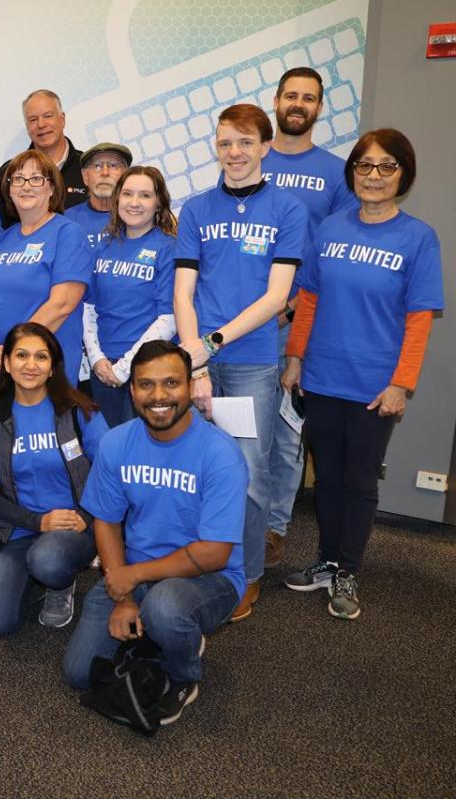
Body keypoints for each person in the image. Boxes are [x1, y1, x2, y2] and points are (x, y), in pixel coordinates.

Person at [281, 129, 443, 620]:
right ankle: (327, 560)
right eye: (365, 165)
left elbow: (418, 320)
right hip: (323, 375)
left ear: (403, 175)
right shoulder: (329, 228)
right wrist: (294, 357)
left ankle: (348, 568)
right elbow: (307, 299)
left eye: (386, 166)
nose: (374, 176)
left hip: (376, 384)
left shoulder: (417, 238)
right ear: (352, 172)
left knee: (358, 478)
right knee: (327, 476)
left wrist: (401, 383)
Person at [63, 341, 248, 725]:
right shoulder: (118, 443)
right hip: (136, 572)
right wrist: (124, 597)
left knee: (166, 607)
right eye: (146, 385)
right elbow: (108, 522)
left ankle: (183, 673)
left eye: (171, 383)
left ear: (189, 387)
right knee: (79, 673)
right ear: (132, 391)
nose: (159, 395)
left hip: (210, 578)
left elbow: (215, 553)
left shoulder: (220, 454)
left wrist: (133, 576)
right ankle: (154, 630)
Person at [173, 103, 308, 622]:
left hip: (251, 363)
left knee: (251, 476)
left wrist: (213, 341)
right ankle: (199, 560)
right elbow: (183, 292)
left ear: (264, 148)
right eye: (225, 142)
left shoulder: (287, 210)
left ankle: (245, 576)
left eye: (245, 143)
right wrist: (197, 362)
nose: (234, 152)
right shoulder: (198, 208)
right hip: (201, 363)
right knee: (196, 468)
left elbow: (278, 297)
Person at [261, 67, 361, 569]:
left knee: (284, 433)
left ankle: (274, 528)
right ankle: (229, 521)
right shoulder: (250, 160)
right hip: (238, 325)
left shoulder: (337, 175)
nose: (298, 104)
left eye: (309, 98)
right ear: (276, 101)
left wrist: (294, 304)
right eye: (291, 95)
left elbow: (332, 254)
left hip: (293, 324)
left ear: (320, 107)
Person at [0, 323, 108, 636]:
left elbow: (111, 473)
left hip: (74, 527)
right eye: (21, 355)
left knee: (47, 560)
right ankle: (34, 571)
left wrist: (86, 517)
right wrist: (37, 522)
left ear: (52, 367)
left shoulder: (79, 411)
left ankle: (60, 581)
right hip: (20, 529)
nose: (30, 365)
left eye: (41, 357)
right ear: (6, 363)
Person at [0, 150, 91, 386]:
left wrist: (15, 351)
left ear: (52, 188)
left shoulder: (67, 233)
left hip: (46, 371)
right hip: (0, 369)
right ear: (8, 189)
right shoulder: (1, 239)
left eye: (36, 178)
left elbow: (62, 305)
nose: (26, 185)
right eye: (18, 179)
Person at [82, 165, 178, 427]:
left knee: (141, 454)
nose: (134, 203)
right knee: (108, 449)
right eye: (127, 194)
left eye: (145, 196)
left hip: (148, 369)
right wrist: (97, 359)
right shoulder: (103, 245)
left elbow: (169, 318)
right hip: (103, 371)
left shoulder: (168, 248)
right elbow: (88, 308)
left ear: (159, 203)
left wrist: (124, 368)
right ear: (117, 200)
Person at [0, 90, 88, 226]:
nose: (41, 125)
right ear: (27, 126)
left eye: (48, 116)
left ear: (62, 119)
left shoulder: (87, 167)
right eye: (33, 119)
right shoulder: (8, 172)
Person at [63, 142, 132, 248]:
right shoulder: (66, 221)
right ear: (85, 176)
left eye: (113, 165)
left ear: (126, 174)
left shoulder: (138, 218)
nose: (105, 173)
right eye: (97, 166)